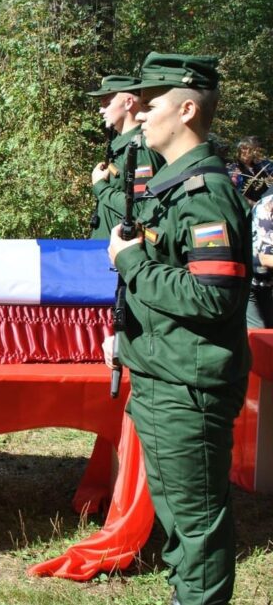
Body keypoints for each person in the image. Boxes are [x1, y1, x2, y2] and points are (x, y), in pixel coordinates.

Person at [105, 53, 251, 605]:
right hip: (167, 376)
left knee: (198, 532)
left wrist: (133, 263)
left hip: (188, 388)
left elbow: (212, 298)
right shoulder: (175, 187)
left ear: (187, 109)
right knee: (182, 525)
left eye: (152, 104)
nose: (138, 114)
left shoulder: (204, 195)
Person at [86, 75, 166, 239]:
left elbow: (141, 210)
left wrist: (100, 186)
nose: (101, 110)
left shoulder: (141, 148)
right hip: (105, 249)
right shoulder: (119, 143)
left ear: (128, 102)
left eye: (107, 103)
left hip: (121, 255)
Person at [248, 185, 273, 328]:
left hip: (268, 284)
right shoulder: (267, 207)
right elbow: (265, 258)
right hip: (252, 281)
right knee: (260, 335)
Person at [227, 136, 273, 203]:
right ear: (239, 150)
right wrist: (254, 205)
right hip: (247, 208)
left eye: (251, 149)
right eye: (244, 148)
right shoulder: (233, 169)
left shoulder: (260, 166)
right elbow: (234, 193)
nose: (247, 152)